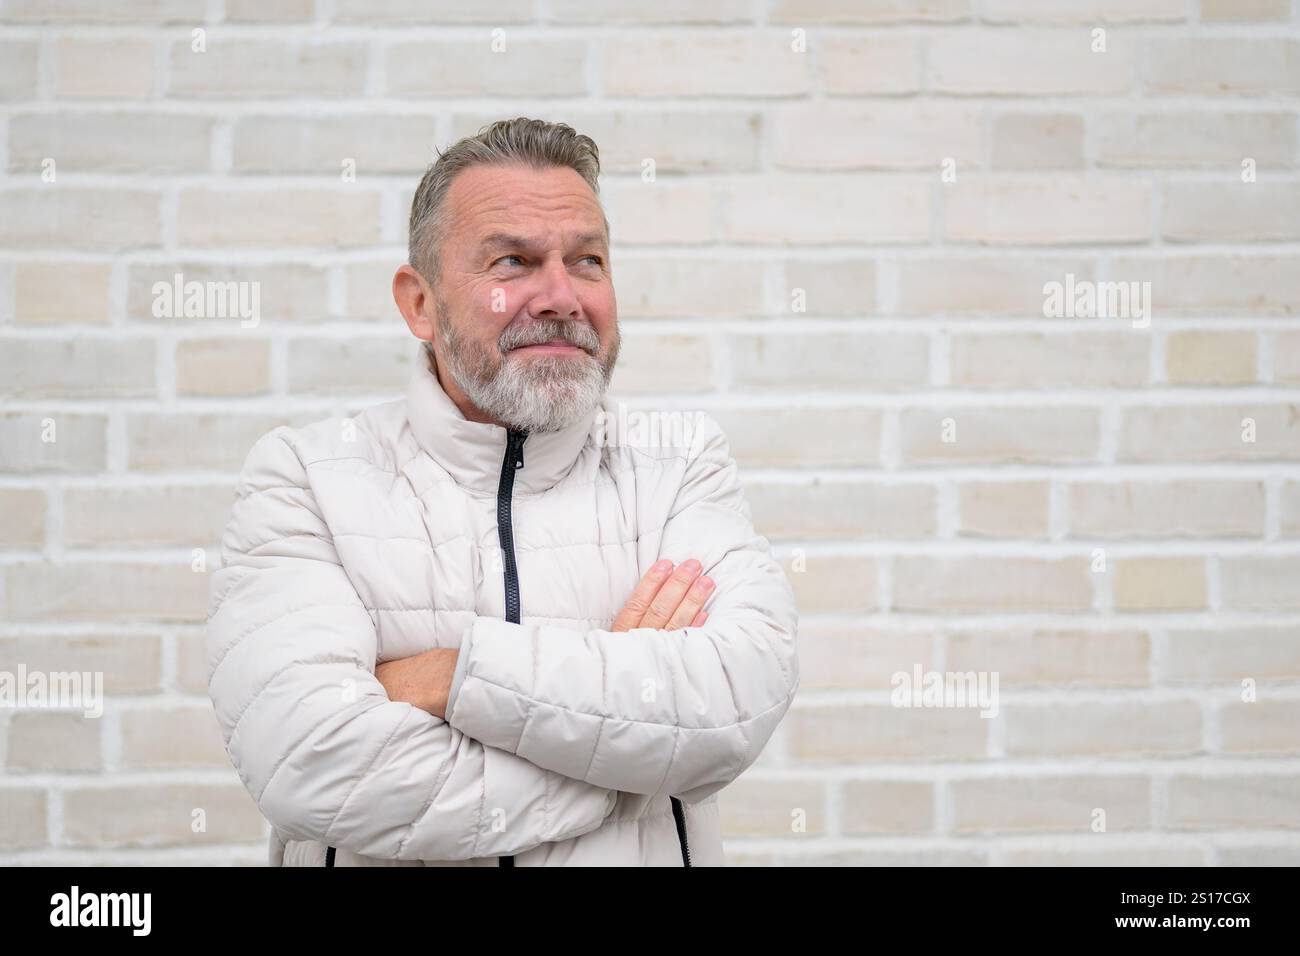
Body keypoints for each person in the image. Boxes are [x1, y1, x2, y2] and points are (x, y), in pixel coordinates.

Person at [206, 117, 800, 866]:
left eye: (587, 261)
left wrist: (453, 676)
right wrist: (628, 764)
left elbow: (729, 711)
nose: (560, 295)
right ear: (419, 304)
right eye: (513, 262)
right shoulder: (305, 478)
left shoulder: (679, 465)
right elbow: (312, 765)